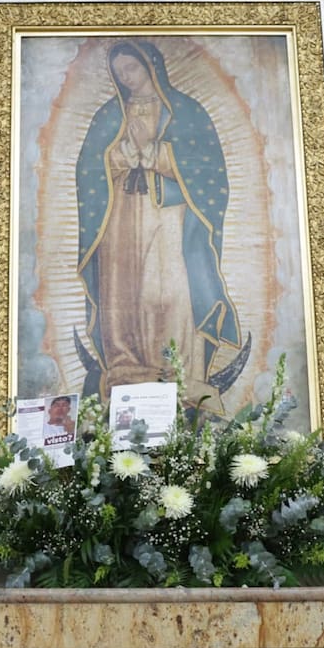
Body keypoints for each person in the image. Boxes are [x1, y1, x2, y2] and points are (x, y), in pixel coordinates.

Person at [75, 40, 244, 408]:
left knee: (166, 292)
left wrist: (155, 152)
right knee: (124, 294)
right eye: (119, 73)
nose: (126, 78)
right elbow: (89, 169)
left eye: (131, 69)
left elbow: (207, 172)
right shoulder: (109, 115)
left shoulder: (185, 113)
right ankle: (128, 368)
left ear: (150, 66)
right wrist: (123, 153)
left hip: (168, 218)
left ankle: (177, 372)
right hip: (120, 217)